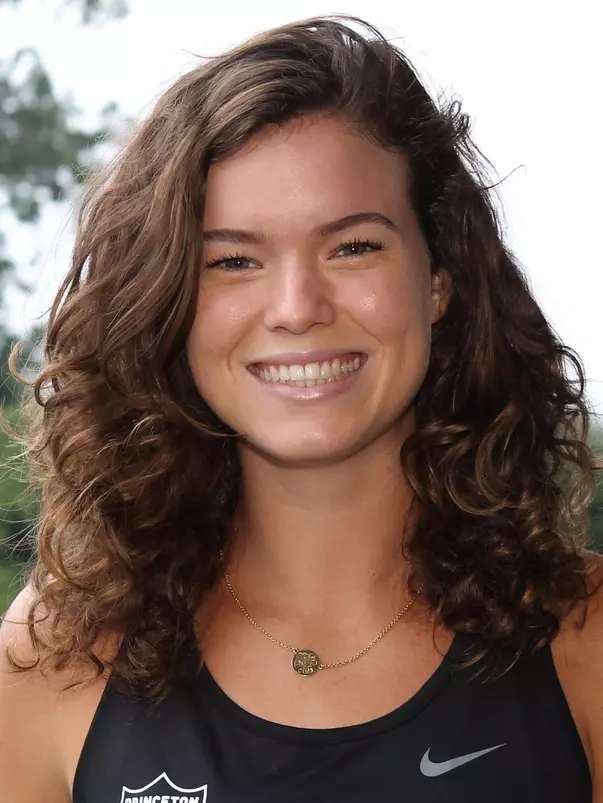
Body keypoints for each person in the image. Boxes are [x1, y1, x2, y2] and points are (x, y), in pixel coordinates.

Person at [1, 13, 602, 802]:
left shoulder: (584, 642)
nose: (295, 307)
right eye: (234, 260)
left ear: (438, 280)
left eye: (353, 246)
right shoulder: (56, 653)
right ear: (172, 303)